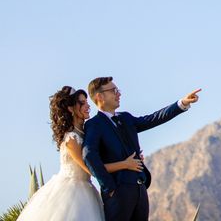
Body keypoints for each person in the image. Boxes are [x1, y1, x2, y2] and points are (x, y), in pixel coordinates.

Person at [83, 77, 201, 221]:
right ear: (100, 96)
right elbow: (89, 156)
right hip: (118, 192)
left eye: (118, 90)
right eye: (114, 91)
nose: (118, 94)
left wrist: (181, 104)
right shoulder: (94, 125)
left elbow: (153, 119)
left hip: (140, 189)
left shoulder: (126, 118)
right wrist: (109, 187)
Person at [17, 86, 144, 221]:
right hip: (71, 194)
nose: (87, 106)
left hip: (88, 192)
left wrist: (132, 159)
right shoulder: (71, 138)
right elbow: (92, 168)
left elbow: (103, 158)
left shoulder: (88, 133)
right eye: (82, 103)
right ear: (70, 109)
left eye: (86, 102)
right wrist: (125, 164)